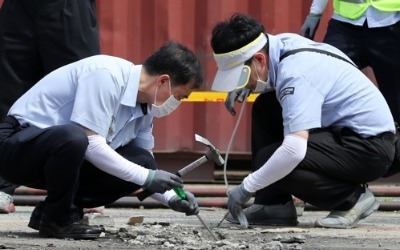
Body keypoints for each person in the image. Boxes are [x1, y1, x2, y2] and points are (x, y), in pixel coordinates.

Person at [210, 13, 397, 229]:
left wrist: (246, 188)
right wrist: (246, 83)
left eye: (241, 76)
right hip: (349, 136)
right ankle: (274, 205)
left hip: (369, 149)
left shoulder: (296, 74)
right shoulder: (282, 45)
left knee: (270, 159)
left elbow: (293, 150)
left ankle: (352, 199)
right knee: (265, 106)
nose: (244, 84)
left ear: (259, 59)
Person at [0, 41, 203, 239]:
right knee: (75, 138)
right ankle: (58, 219)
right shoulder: (106, 74)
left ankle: (52, 212)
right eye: (180, 96)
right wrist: (148, 177)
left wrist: (172, 196)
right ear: (162, 81)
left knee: (142, 161)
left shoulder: (146, 107)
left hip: (59, 160)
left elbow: (145, 167)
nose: (178, 103)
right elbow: (93, 145)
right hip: (16, 147)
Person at [0, 0, 101, 213]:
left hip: (69, 5)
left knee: (79, 88)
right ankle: (2, 184)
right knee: (7, 86)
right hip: (19, 6)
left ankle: (80, 191)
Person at [300, 0, 400, 125]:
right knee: (324, 82)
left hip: (392, 22)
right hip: (345, 25)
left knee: (397, 95)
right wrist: (315, 13)